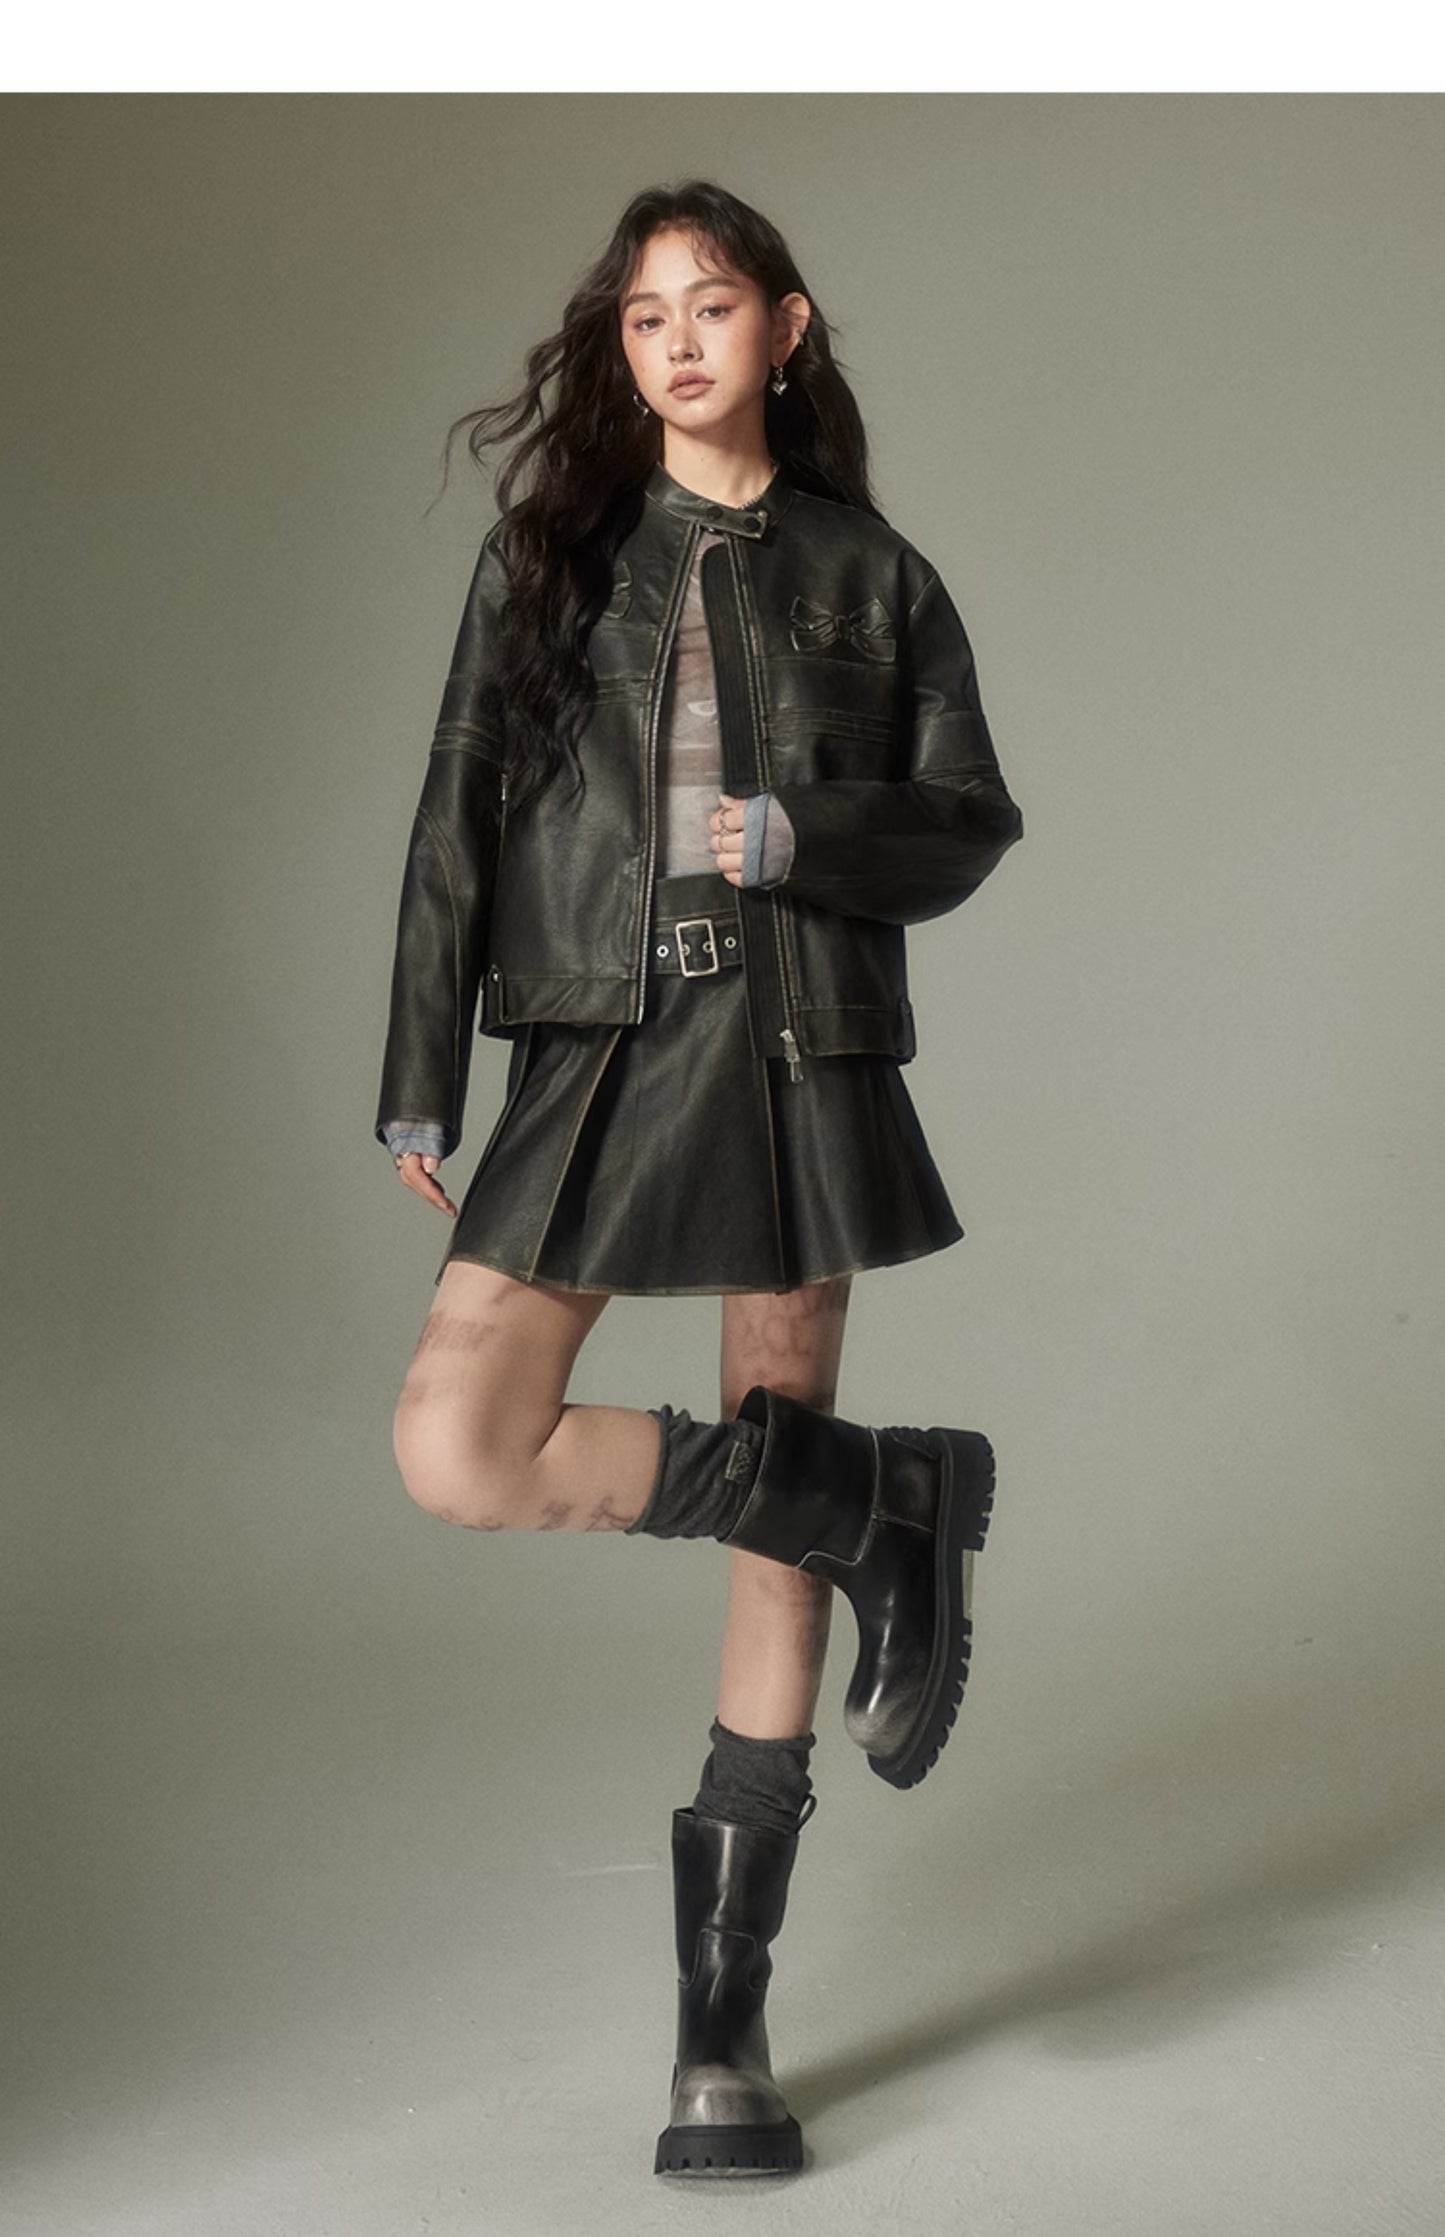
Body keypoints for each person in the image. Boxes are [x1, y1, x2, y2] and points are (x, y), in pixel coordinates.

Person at [373, 177, 1023, 2179]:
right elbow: (457, 808)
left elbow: (966, 814)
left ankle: (721, 2036)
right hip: (592, 1038)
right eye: (645, 314)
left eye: (712, 304)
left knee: (767, 1527)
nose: (674, 341)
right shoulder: (549, 560)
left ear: (785, 327)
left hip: (796, 1041)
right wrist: (419, 1076)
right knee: (458, 1442)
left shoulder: (873, 575)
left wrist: (798, 834)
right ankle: (877, 1496)